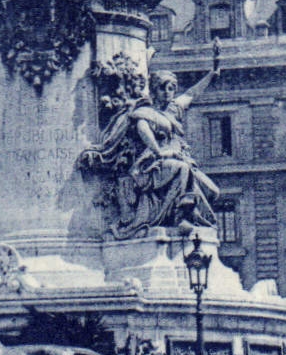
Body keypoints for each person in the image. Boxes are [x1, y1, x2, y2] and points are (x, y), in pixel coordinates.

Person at [77, 55, 221, 239]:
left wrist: (212, 73)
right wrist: (160, 152)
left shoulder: (174, 109)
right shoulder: (146, 112)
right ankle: (181, 216)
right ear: (154, 90)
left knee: (212, 191)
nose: (168, 92)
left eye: (171, 88)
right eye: (163, 88)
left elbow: (191, 94)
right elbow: (143, 129)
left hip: (176, 160)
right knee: (182, 169)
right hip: (150, 166)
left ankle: (189, 215)